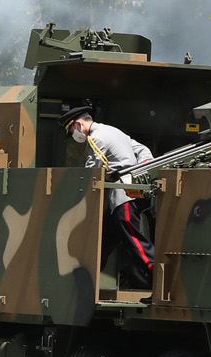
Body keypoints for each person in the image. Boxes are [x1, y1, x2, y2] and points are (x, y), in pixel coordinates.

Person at [60, 105, 156, 289]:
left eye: (71, 129)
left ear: (79, 124)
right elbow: (142, 150)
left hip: (123, 196)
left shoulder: (95, 138)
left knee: (135, 242)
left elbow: (92, 172)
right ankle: (85, 287)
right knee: (102, 243)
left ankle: (161, 280)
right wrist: (141, 169)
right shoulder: (113, 131)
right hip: (128, 194)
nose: (73, 134)